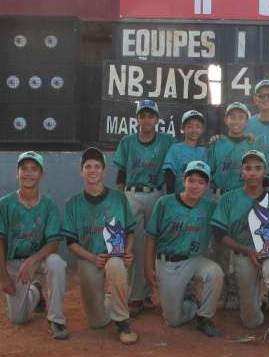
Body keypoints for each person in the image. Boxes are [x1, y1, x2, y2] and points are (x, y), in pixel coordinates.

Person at [211, 150, 269, 348]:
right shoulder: (229, 198)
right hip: (244, 254)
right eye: (248, 168)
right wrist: (247, 250)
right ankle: (263, 300)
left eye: (258, 168)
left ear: (265, 172)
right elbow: (219, 234)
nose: (253, 173)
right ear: (242, 172)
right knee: (251, 321)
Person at [0, 151, 69, 340]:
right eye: (24, 169)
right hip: (15, 262)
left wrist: (32, 260)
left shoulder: (48, 206)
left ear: (42, 174)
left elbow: (54, 243)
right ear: (17, 173)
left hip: (39, 259)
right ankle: (36, 292)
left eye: (34, 169)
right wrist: (4, 277)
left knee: (56, 263)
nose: (28, 173)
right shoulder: (5, 204)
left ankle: (56, 319)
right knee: (18, 318)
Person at [62, 147, 139, 344]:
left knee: (116, 266)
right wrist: (92, 257)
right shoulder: (73, 203)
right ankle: (113, 296)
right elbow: (71, 242)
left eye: (97, 166)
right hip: (89, 257)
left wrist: (127, 251)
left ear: (104, 170)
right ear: (81, 171)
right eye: (88, 166)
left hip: (114, 255)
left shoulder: (118, 198)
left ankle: (123, 321)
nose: (92, 170)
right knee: (96, 322)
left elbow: (130, 230)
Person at [144, 161, 224, 337]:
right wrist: (148, 267)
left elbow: (224, 229)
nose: (195, 186)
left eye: (201, 182)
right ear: (183, 180)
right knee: (173, 320)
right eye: (191, 180)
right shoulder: (165, 202)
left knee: (215, 272)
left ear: (207, 186)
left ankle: (204, 317)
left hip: (194, 259)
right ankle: (191, 304)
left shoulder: (210, 207)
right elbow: (151, 237)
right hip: (168, 262)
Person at [112, 99, 175, 315]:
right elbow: (121, 173)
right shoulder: (128, 141)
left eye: (151, 116)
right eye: (142, 116)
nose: (146, 120)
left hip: (156, 193)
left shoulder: (167, 140)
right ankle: (136, 295)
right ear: (137, 119)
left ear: (157, 119)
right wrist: (119, 198)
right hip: (132, 194)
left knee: (154, 244)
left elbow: (171, 170)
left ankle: (147, 293)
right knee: (136, 245)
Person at [208, 101, 258, 309]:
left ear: (247, 121)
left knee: (239, 245)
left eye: (241, 117)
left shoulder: (252, 143)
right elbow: (209, 172)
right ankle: (220, 291)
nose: (236, 121)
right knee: (218, 246)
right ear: (226, 120)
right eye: (232, 116)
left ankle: (236, 292)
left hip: (242, 198)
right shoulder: (216, 143)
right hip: (219, 196)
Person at [163, 109, 209, 195]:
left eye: (198, 126)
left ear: (202, 129)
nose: (194, 130)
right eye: (189, 126)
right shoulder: (175, 149)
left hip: (201, 198)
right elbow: (169, 174)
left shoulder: (206, 151)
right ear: (182, 128)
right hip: (179, 196)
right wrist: (171, 196)